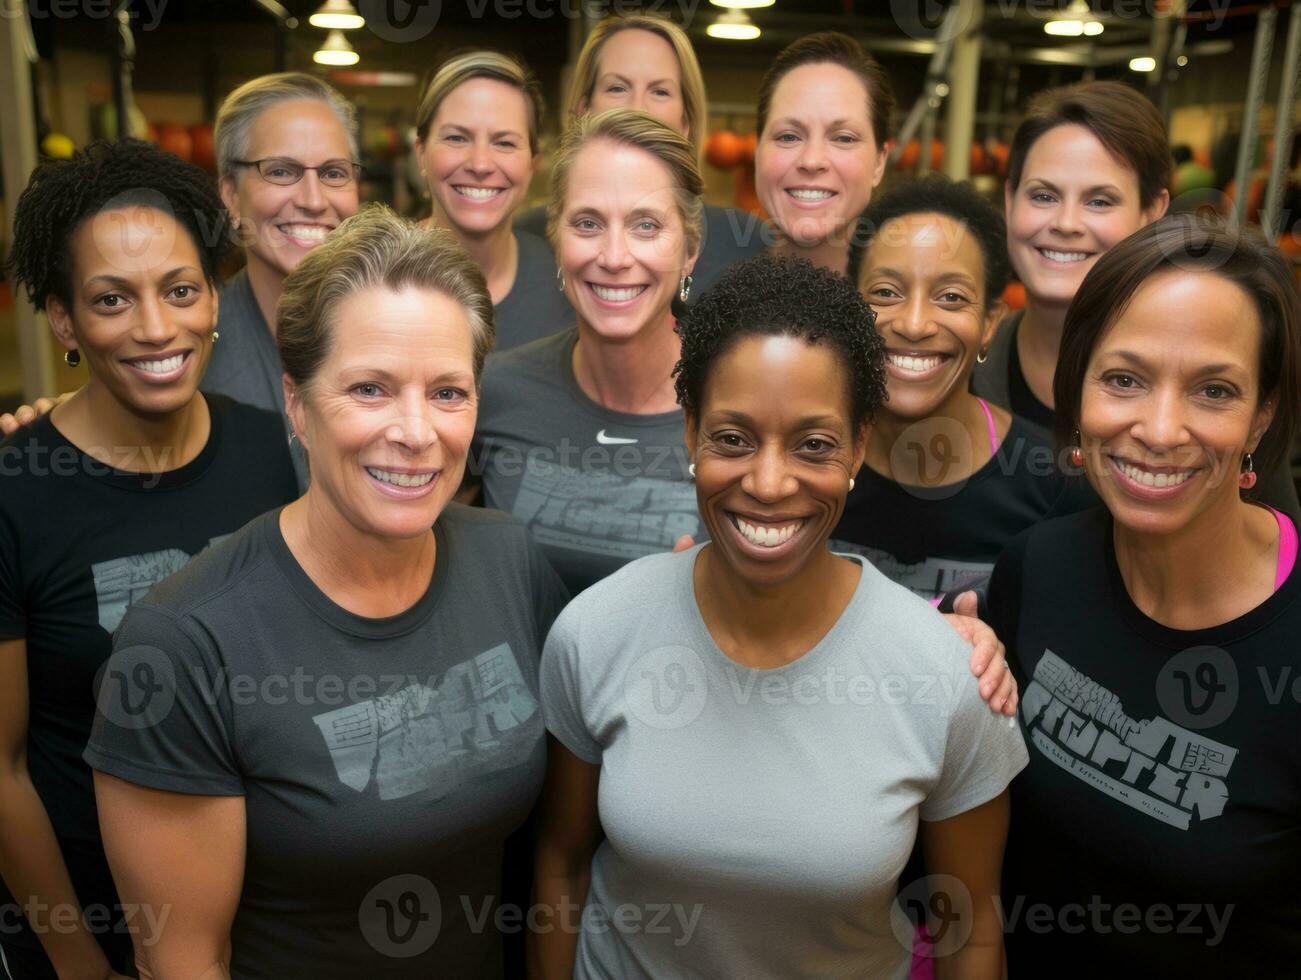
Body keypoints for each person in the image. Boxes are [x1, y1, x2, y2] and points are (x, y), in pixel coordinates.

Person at [83, 207, 570, 978]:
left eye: (447, 393)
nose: (416, 432)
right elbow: (183, 962)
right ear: (297, 403)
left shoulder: (508, 560)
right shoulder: (184, 643)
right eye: (370, 389)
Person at [530, 254, 1028, 979]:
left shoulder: (945, 677)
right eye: (731, 438)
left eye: (813, 444)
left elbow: (971, 926)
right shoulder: (596, 631)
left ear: (859, 445)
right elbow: (559, 867)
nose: (768, 482)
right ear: (690, 430)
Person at [0, 140, 298, 979]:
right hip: (85, 926)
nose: (157, 328)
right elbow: (3, 766)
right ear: (62, 319)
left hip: (257, 918)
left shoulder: (266, 450)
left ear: (212, 297)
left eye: (179, 290)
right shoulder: (17, 493)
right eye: (110, 299)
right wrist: (76, 958)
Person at [984, 216, 1301, 968]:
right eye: (1123, 379)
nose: (1159, 430)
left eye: (1213, 390)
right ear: (1078, 386)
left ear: (1261, 415)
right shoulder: (1036, 566)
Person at [471, 109, 704, 596]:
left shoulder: (735, 405)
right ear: (556, 240)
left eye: (646, 226)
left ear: (690, 251)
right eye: (588, 223)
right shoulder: (493, 392)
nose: (615, 257)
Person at [833, 175, 1068, 599]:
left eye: (951, 297)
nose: (915, 324)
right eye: (886, 292)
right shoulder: (810, 462)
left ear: (990, 323)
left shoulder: (1050, 484)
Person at [513, 12, 765, 294]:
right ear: (583, 111)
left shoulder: (745, 242)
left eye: (659, 91)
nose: (637, 108)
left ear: (686, 123)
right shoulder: (525, 239)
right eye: (617, 88)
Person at [209, 72, 363, 484]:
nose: (313, 200)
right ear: (230, 195)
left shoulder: (396, 327)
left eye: (333, 173)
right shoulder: (193, 345)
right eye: (280, 171)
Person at [414, 50, 573, 350]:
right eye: (457, 138)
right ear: (421, 153)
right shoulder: (371, 276)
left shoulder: (570, 284)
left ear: (533, 163)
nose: (480, 164)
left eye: (504, 143)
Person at [753, 31, 892, 276]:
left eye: (843, 138)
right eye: (788, 136)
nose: (811, 160)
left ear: (879, 162)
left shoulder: (910, 311)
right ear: (757, 151)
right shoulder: (702, 296)